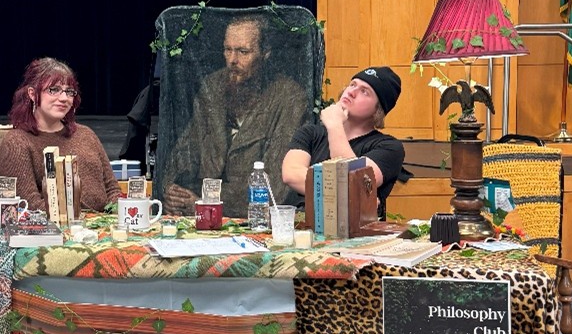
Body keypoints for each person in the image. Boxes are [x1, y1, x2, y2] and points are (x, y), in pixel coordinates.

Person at [163, 17, 310, 217]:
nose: (232, 60)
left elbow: (275, 183)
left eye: (243, 52)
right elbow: (186, 151)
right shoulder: (212, 87)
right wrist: (172, 190)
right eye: (227, 49)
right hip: (199, 214)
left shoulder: (289, 98)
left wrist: (206, 202)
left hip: (255, 218)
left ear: (265, 53)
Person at [0, 57, 121, 215]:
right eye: (53, 90)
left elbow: (112, 189)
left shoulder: (86, 134)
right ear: (33, 94)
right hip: (57, 233)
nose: (64, 98)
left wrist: (116, 215)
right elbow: (28, 206)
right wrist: (81, 221)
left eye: (69, 92)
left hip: (104, 231)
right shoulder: (16, 143)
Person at [282, 66, 405, 212]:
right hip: (301, 224)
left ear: (378, 110)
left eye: (364, 91)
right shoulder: (311, 133)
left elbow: (354, 181)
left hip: (354, 231)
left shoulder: (389, 147)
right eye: (353, 84)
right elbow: (291, 174)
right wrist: (346, 191)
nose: (351, 92)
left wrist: (335, 125)